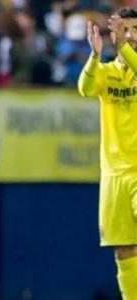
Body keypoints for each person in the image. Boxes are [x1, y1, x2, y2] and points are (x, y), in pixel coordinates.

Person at [79, 8, 137, 299]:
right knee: (124, 249)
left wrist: (124, 48)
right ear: (114, 34)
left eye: (135, 29)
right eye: (125, 29)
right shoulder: (108, 73)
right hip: (113, 174)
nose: (131, 35)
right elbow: (86, 88)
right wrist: (94, 56)